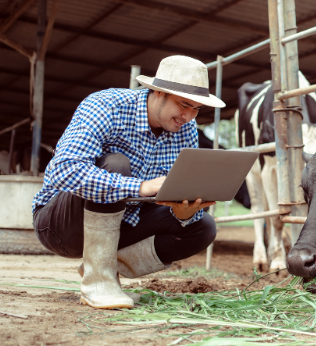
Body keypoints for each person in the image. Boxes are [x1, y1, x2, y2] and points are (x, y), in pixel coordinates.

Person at [32, 55, 224, 309]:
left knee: (202, 227)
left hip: (124, 222)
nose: (188, 116)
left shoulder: (185, 129)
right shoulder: (106, 106)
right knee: (116, 164)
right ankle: (97, 282)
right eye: (184, 105)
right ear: (158, 91)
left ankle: (104, 270)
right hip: (61, 226)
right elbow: (64, 171)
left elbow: (178, 189)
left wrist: (182, 212)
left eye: (197, 108)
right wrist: (141, 187)